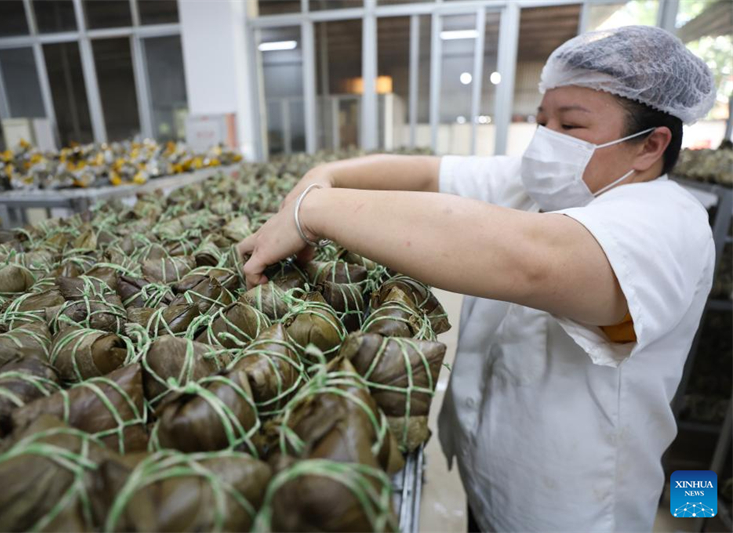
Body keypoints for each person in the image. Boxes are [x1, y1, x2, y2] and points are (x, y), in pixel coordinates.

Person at [237, 25, 717, 531]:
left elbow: (532, 261)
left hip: (573, 510)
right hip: (488, 480)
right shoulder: (544, 186)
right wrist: (326, 176)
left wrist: (316, 212)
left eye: (571, 126)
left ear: (650, 145)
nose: (546, 141)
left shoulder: (667, 223)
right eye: (541, 121)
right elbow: (425, 175)